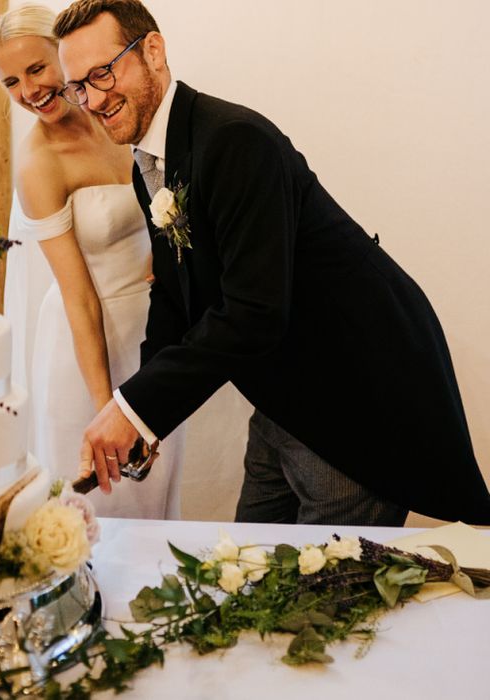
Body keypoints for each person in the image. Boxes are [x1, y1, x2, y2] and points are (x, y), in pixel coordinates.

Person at [54, 0, 490, 525]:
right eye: (78, 87)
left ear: (153, 50)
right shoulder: (149, 163)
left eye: (102, 73)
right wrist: (143, 415)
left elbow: (254, 310)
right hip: (281, 395)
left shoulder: (235, 139)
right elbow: (172, 294)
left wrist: (135, 411)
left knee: (328, 600)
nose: (93, 99)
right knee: (248, 570)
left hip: (350, 392)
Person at [0, 3, 184, 518]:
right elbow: (78, 298)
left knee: (169, 496)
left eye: (36, 68)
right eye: (11, 82)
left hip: (161, 331)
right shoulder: (38, 166)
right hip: (89, 348)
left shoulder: (118, 113)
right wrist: (110, 405)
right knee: (115, 511)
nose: (29, 91)